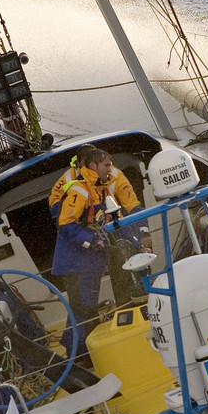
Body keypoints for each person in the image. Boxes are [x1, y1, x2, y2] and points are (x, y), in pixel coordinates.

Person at [50, 146, 149, 355]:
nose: (110, 169)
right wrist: (91, 240)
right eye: (106, 165)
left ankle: (80, 352)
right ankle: (77, 355)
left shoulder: (101, 188)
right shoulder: (80, 189)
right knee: (83, 310)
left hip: (90, 261)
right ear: (92, 165)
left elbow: (120, 216)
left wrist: (138, 238)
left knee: (86, 309)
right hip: (76, 262)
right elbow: (65, 223)